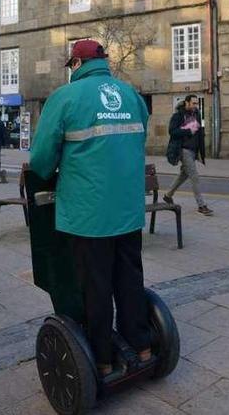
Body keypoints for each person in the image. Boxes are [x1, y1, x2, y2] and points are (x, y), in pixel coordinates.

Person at [30, 39, 152, 377]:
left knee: (94, 287)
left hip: (88, 215)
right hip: (128, 211)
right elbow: (135, 142)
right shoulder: (131, 95)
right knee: (129, 278)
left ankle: (102, 359)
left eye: (71, 65)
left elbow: (41, 160)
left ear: (76, 64)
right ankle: (142, 347)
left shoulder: (65, 98)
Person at [163, 94, 213, 216]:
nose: (196, 105)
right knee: (194, 176)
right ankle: (201, 206)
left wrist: (200, 150)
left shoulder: (196, 114)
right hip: (183, 150)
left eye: (197, 103)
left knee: (184, 174)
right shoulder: (178, 115)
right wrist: (187, 130)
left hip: (193, 150)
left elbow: (199, 132)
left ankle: (168, 195)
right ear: (187, 103)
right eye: (193, 103)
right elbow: (172, 131)